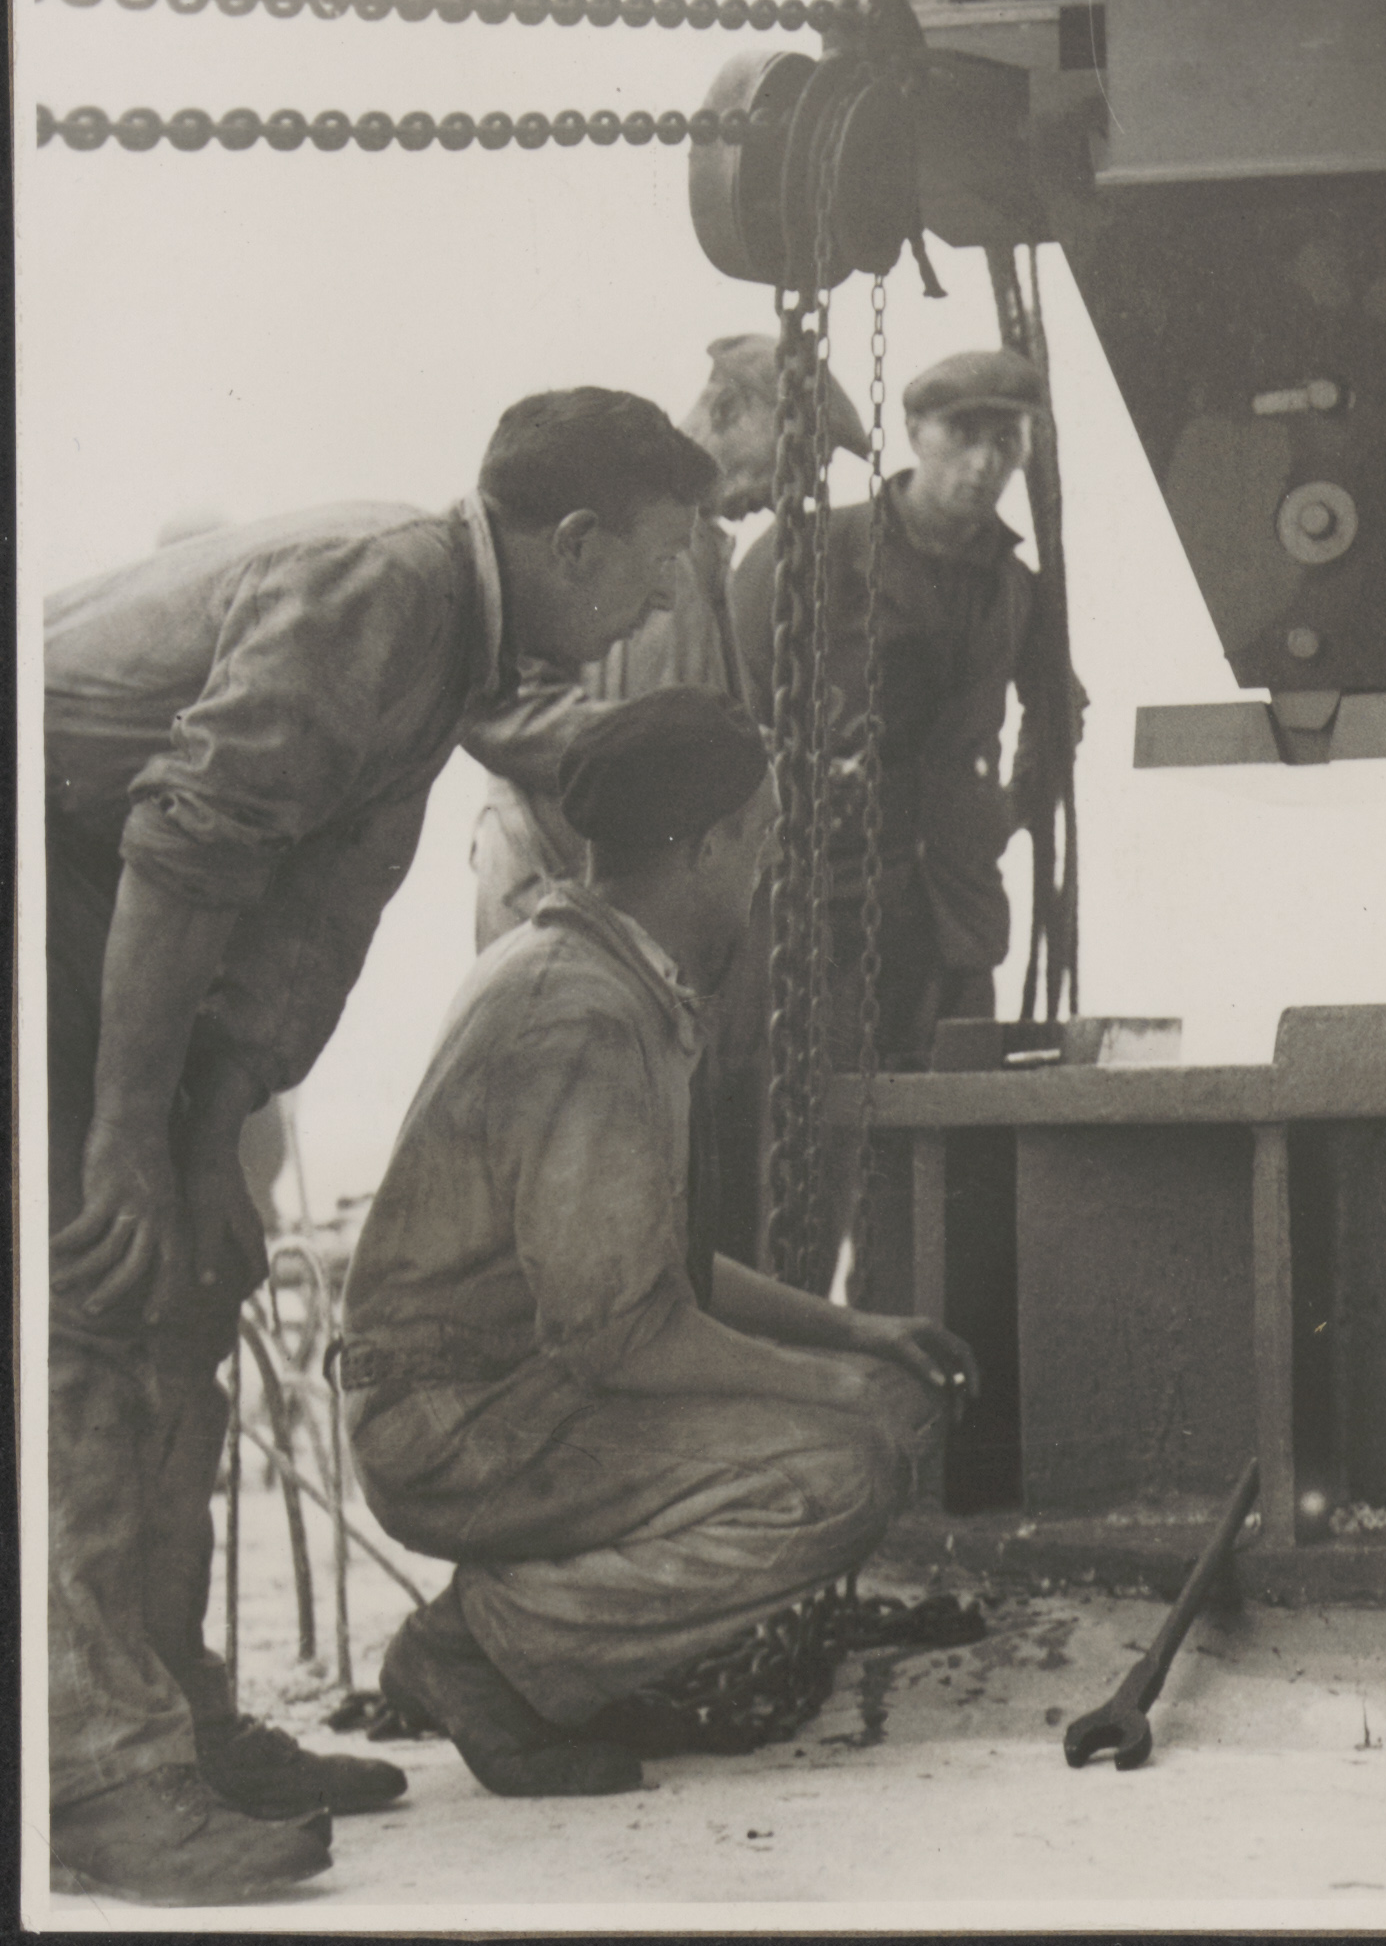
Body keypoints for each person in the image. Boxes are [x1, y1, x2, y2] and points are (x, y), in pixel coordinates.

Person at [44, 389, 713, 1901]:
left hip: (101, 900)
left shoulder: (450, 646)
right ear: (575, 539)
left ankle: (179, 1725)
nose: (672, 595)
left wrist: (208, 1141)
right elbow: (184, 845)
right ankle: (85, 1774)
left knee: (184, 1288)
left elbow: (308, 927)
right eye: (662, 555)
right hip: (58, 874)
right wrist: (125, 1142)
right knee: (100, 1294)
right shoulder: (387, 593)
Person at [341, 690, 979, 1800]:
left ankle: (544, 1651)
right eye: (763, 838)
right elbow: (623, 1338)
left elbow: (654, 1265)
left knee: (882, 1398)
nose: (768, 868)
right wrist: (835, 1387)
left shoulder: (586, 968)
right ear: (707, 847)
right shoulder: (582, 1017)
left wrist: (854, 1332)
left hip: (500, 1386)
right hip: (453, 1422)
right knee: (842, 1469)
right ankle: (479, 1651)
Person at [726, 347, 1084, 1284]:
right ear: (917, 432)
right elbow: (734, 712)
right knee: (800, 1172)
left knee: (934, 1183)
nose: (985, 462)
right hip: (819, 913)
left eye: (1005, 440)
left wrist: (1002, 814)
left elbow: (1058, 712)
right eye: (964, 434)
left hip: (949, 920)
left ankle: (896, 1348)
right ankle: (787, 1346)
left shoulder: (1016, 587)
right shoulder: (810, 554)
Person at [463, 336, 867, 951]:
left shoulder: (706, 555)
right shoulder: (597, 515)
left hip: (642, 912)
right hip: (554, 889)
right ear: (727, 410)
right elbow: (498, 708)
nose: (803, 488)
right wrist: (673, 755)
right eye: (799, 454)